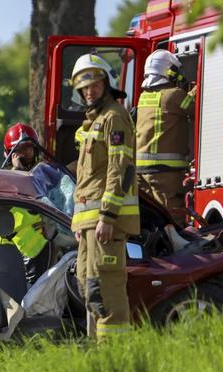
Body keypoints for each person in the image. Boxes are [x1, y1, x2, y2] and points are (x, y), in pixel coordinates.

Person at [70, 53, 140, 340]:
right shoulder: (93, 123)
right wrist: (79, 223)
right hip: (89, 225)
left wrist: (108, 216)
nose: (90, 91)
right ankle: (101, 354)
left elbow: (119, 168)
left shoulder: (114, 117)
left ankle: (117, 357)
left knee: (106, 290)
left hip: (105, 222)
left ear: (106, 83)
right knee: (89, 288)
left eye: (95, 85)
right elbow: (87, 180)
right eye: (84, 88)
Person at [136, 49, 197, 227]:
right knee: (173, 218)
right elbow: (195, 109)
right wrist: (196, 89)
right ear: (169, 72)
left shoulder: (144, 97)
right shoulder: (173, 95)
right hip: (165, 173)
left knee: (152, 217)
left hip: (143, 172)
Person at [1, 123, 50, 284]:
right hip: (17, 252)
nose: (25, 154)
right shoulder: (3, 182)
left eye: (28, 148)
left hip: (46, 244)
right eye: (19, 150)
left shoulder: (43, 174)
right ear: (9, 154)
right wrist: (18, 172)